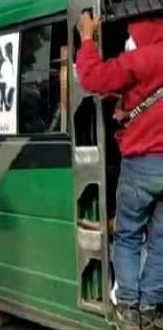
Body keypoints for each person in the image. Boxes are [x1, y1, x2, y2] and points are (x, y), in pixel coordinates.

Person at [76, 14, 163, 329]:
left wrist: (87, 39)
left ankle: (127, 307)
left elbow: (92, 78)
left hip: (141, 163)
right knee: (161, 239)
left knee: (127, 236)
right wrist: (131, 109)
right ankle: (151, 308)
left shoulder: (140, 57)